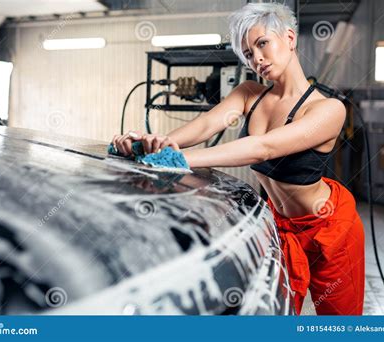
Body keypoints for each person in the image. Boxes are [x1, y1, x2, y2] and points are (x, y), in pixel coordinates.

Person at [112, 2, 364, 315]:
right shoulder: (249, 93)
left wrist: (176, 160)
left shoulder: (328, 110)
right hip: (281, 222)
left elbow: (264, 148)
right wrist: (148, 145)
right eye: (247, 53)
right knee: (277, 313)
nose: (257, 59)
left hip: (329, 224)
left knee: (339, 321)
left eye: (262, 44)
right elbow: (206, 125)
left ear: (289, 38)